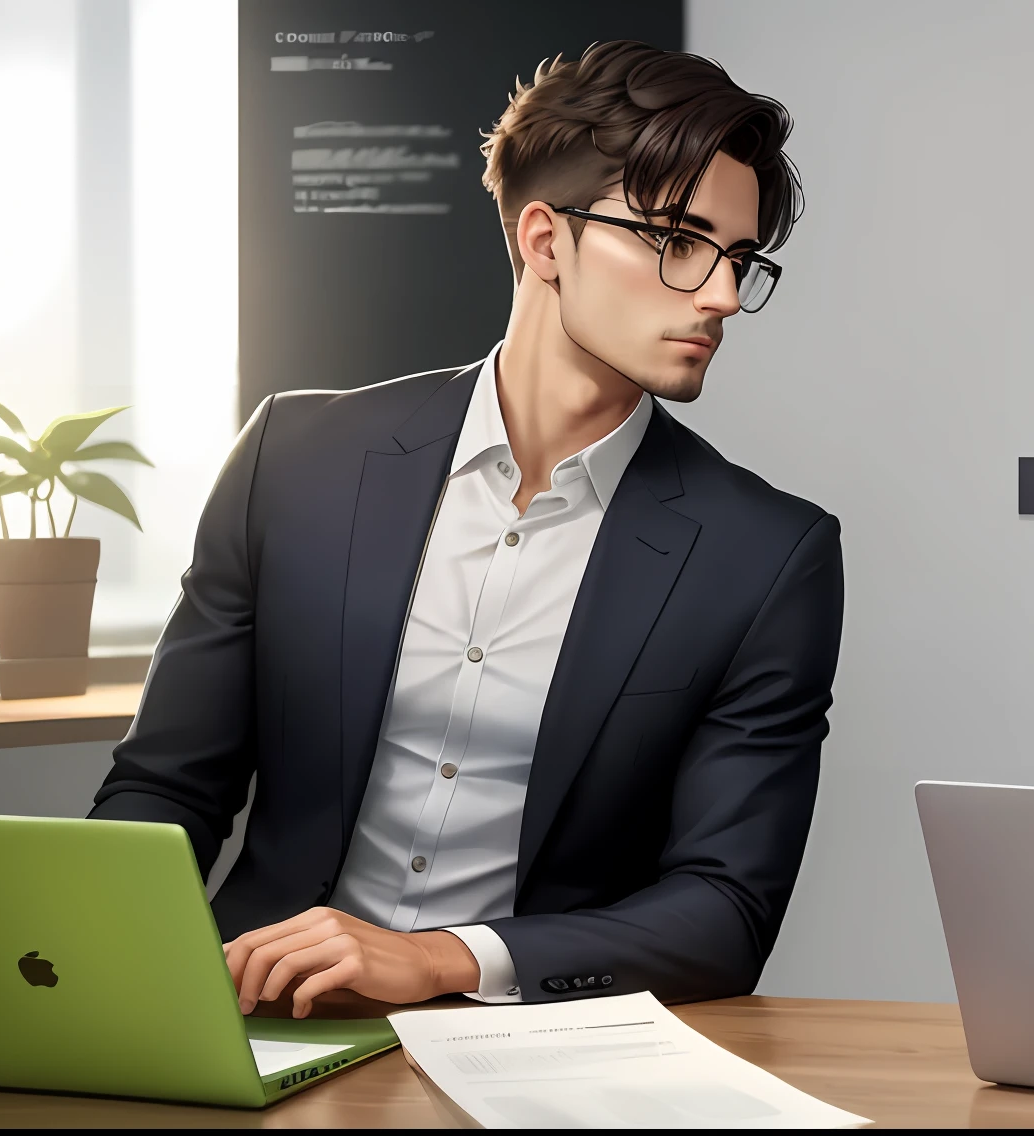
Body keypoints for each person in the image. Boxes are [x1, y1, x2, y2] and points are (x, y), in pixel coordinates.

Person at [90, 41, 842, 1018]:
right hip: (262, 1014)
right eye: (679, 241)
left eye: (739, 258)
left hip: (542, 1042)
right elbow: (165, 788)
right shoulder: (296, 457)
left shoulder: (766, 556)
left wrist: (443, 957)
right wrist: (101, 983)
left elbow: (724, 907)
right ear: (543, 240)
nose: (721, 294)